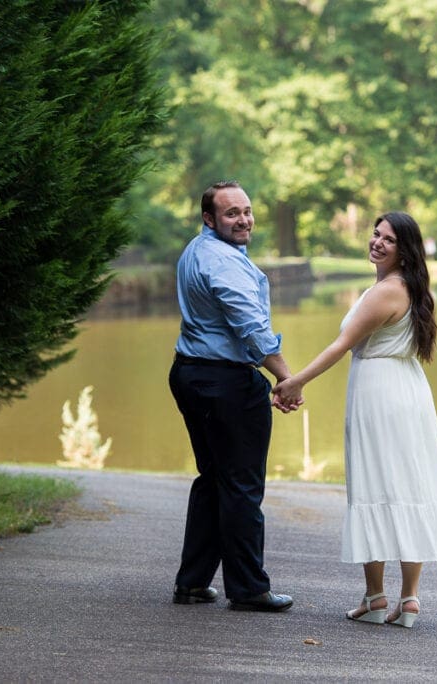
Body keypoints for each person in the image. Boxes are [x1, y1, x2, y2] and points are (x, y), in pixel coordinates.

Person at [273, 211, 437, 628]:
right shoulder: (413, 288)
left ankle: (376, 598)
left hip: (379, 391)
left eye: (389, 239)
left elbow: (341, 345)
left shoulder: (386, 291)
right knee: (409, 481)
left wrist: (294, 382)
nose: (377, 242)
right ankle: (410, 599)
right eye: (376, 234)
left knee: (375, 482)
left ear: (405, 250)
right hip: (407, 388)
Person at [169, 180, 300, 612]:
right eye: (231, 213)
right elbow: (252, 329)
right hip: (223, 383)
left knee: (215, 481)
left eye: (246, 210)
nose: (243, 219)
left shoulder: (198, 250)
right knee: (242, 486)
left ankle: (192, 584)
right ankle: (248, 589)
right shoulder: (222, 262)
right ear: (209, 219)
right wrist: (286, 379)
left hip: (191, 373)